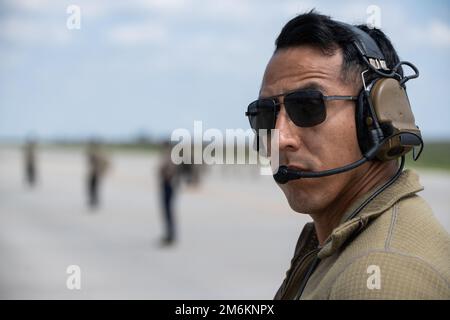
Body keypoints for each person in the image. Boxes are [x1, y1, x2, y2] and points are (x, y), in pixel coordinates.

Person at [246, 11, 450, 299]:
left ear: (378, 116)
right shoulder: (340, 242)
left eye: (307, 107)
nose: (280, 138)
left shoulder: (380, 279)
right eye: (266, 114)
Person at [158, 141, 180, 246]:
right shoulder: (170, 156)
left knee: (168, 211)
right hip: (168, 185)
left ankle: (170, 235)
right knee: (167, 211)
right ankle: (169, 234)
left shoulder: (170, 157)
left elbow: (170, 172)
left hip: (168, 185)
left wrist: (166, 176)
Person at [86, 140, 109, 209]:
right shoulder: (100, 153)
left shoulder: (96, 153)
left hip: (95, 173)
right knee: (94, 188)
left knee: (93, 188)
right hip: (96, 173)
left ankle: (94, 200)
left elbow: (104, 163)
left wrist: (101, 170)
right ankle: (94, 200)